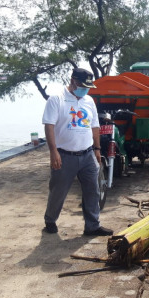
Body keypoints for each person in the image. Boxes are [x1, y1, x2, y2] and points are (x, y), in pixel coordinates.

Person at [42, 68, 113, 236]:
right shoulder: (56, 99)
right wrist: (53, 152)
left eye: (88, 86)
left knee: (92, 190)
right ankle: (50, 220)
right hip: (65, 155)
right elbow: (49, 126)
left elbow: (95, 126)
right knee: (58, 190)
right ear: (73, 81)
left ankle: (92, 225)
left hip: (87, 154)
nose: (85, 89)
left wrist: (97, 149)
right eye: (83, 85)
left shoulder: (89, 101)